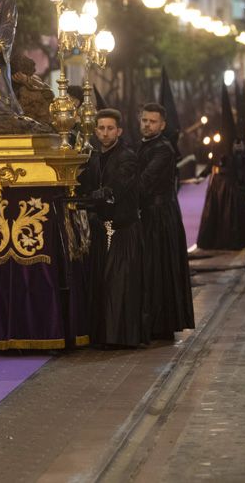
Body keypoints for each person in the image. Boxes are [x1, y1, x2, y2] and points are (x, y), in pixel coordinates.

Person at [88, 109, 147, 348]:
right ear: (95, 131)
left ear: (119, 131)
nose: (105, 133)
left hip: (123, 229)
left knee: (120, 285)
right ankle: (102, 336)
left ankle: (122, 337)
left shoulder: (127, 156)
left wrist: (104, 194)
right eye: (101, 128)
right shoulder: (91, 156)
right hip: (99, 229)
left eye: (110, 128)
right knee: (101, 283)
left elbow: (120, 184)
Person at [137, 103, 195, 340]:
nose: (147, 125)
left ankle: (161, 323)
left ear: (162, 125)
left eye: (152, 121)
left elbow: (144, 181)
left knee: (159, 268)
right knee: (150, 270)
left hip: (160, 217)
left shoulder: (163, 149)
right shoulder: (143, 146)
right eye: (144, 121)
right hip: (149, 214)